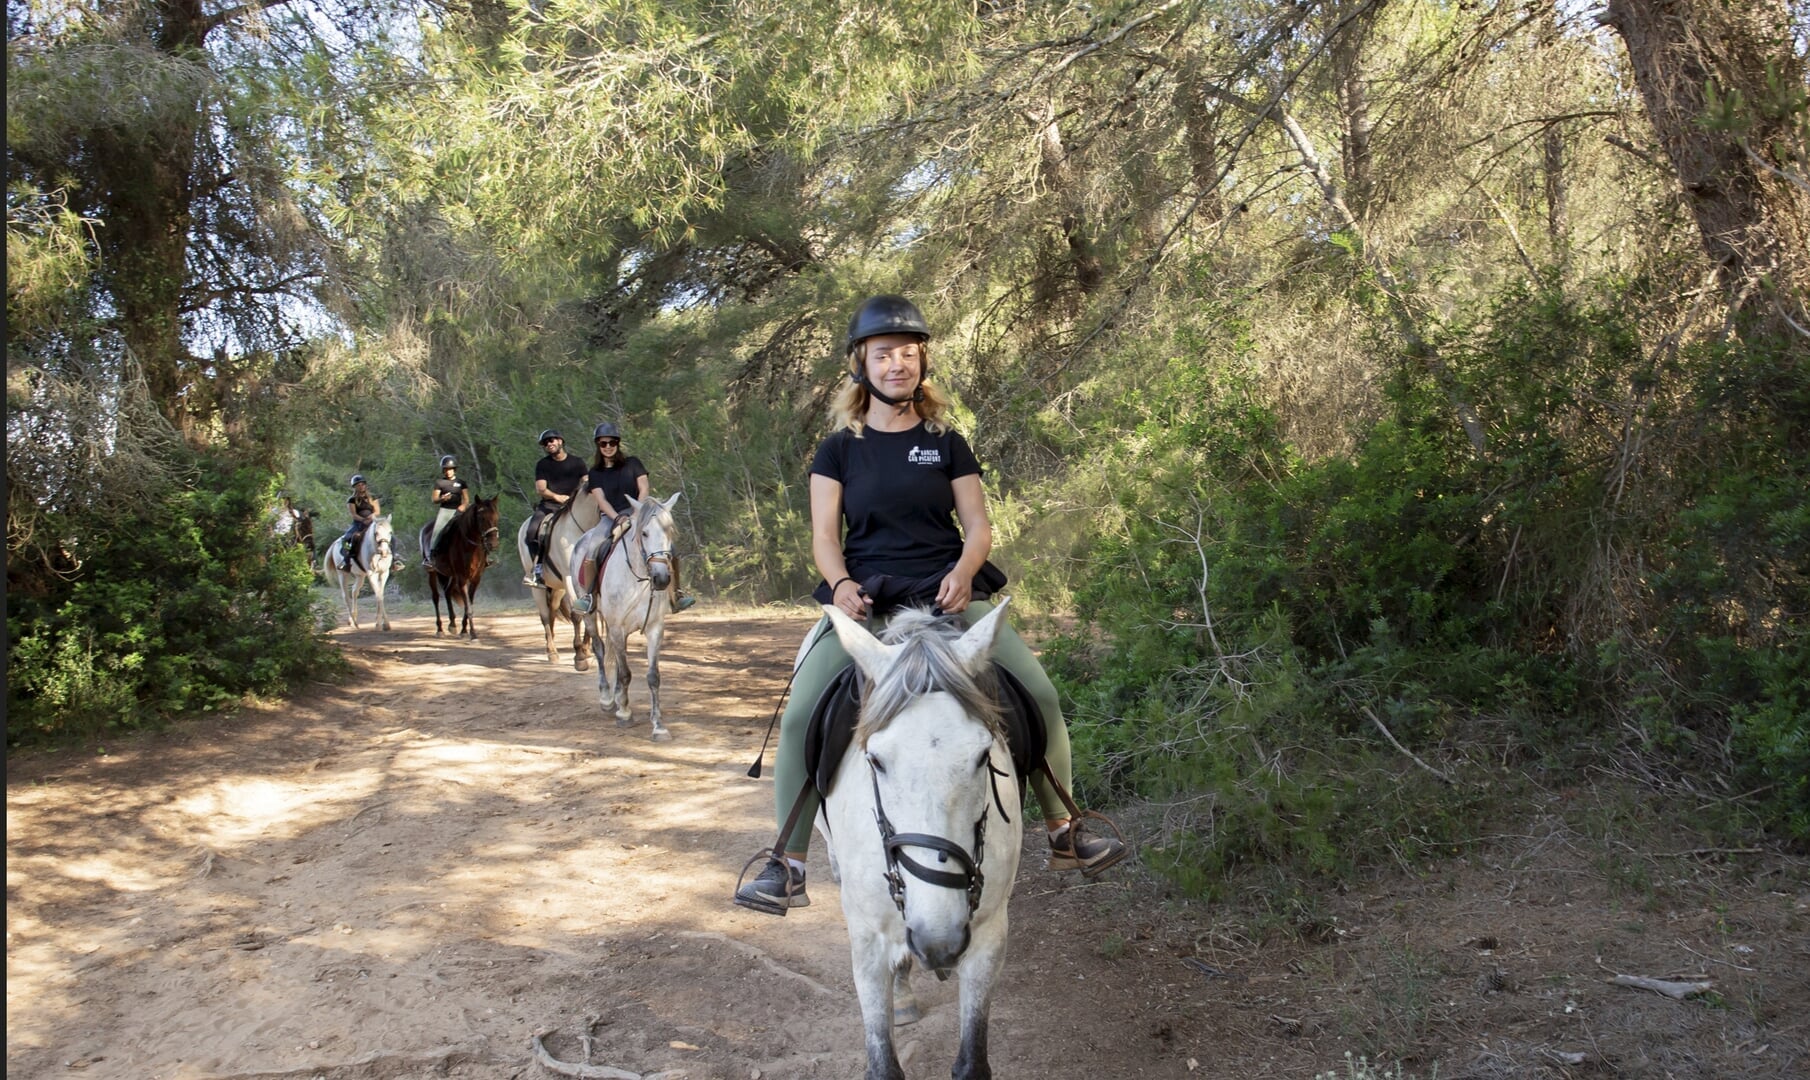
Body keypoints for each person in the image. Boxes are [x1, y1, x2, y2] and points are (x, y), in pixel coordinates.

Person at [733, 294, 1127, 916]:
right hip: (866, 603)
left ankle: (1066, 829)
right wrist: (839, 587)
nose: (898, 365)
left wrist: (966, 573)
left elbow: (977, 527)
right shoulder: (838, 449)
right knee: (802, 712)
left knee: (1040, 694)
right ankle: (787, 861)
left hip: (947, 597)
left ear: (923, 363)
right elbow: (823, 537)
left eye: (908, 354)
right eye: (883, 354)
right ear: (860, 364)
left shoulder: (947, 443)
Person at [572, 421, 696, 616]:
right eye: (603, 443)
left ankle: (676, 594)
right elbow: (601, 500)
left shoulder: (633, 463)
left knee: (670, 549)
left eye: (612, 442)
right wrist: (617, 518)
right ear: (598, 445)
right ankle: (588, 596)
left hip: (639, 513)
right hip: (611, 518)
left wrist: (637, 513)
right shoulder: (595, 473)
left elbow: (644, 487)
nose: (608, 447)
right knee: (593, 549)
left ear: (617, 443)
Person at [523, 429, 586, 587]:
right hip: (550, 506)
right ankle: (537, 570)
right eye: (546, 442)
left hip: (574, 506)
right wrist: (557, 497)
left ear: (561, 441)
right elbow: (541, 489)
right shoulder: (543, 465)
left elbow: (586, 481)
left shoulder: (577, 462)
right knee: (532, 532)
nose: (549, 444)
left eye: (552, 440)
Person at [427, 454, 471, 570]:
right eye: (446, 469)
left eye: (450, 469)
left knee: (475, 526)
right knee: (438, 529)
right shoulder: (440, 483)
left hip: (459, 510)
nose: (448, 472)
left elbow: (466, 498)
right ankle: (431, 556)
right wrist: (442, 499)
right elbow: (434, 499)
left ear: (454, 470)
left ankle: (484, 554)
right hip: (446, 510)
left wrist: (464, 505)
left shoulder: (461, 483)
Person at [335, 475, 381, 571]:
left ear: (365, 485)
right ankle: (346, 561)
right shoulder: (351, 500)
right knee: (346, 539)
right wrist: (363, 520)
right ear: (355, 487)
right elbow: (354, 514)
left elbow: (377, 511)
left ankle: (394, 558)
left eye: (362, 484)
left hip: (373, 521)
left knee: (388, 535)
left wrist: (371, 517)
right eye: (358, 485)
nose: (361, 487)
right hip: (359, 523)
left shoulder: (372, 497)